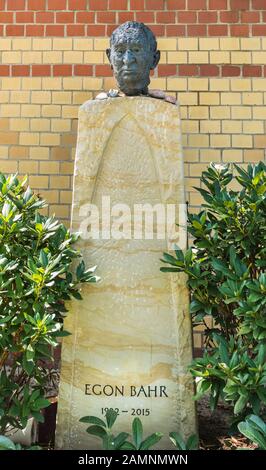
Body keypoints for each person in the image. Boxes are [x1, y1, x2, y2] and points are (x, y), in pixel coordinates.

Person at [106, 21, 160, 97]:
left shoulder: (167, 108)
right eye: (120, 51)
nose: (127, 60)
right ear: (110, 58)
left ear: (154, 59)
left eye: (136, 50)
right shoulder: (96, 108)